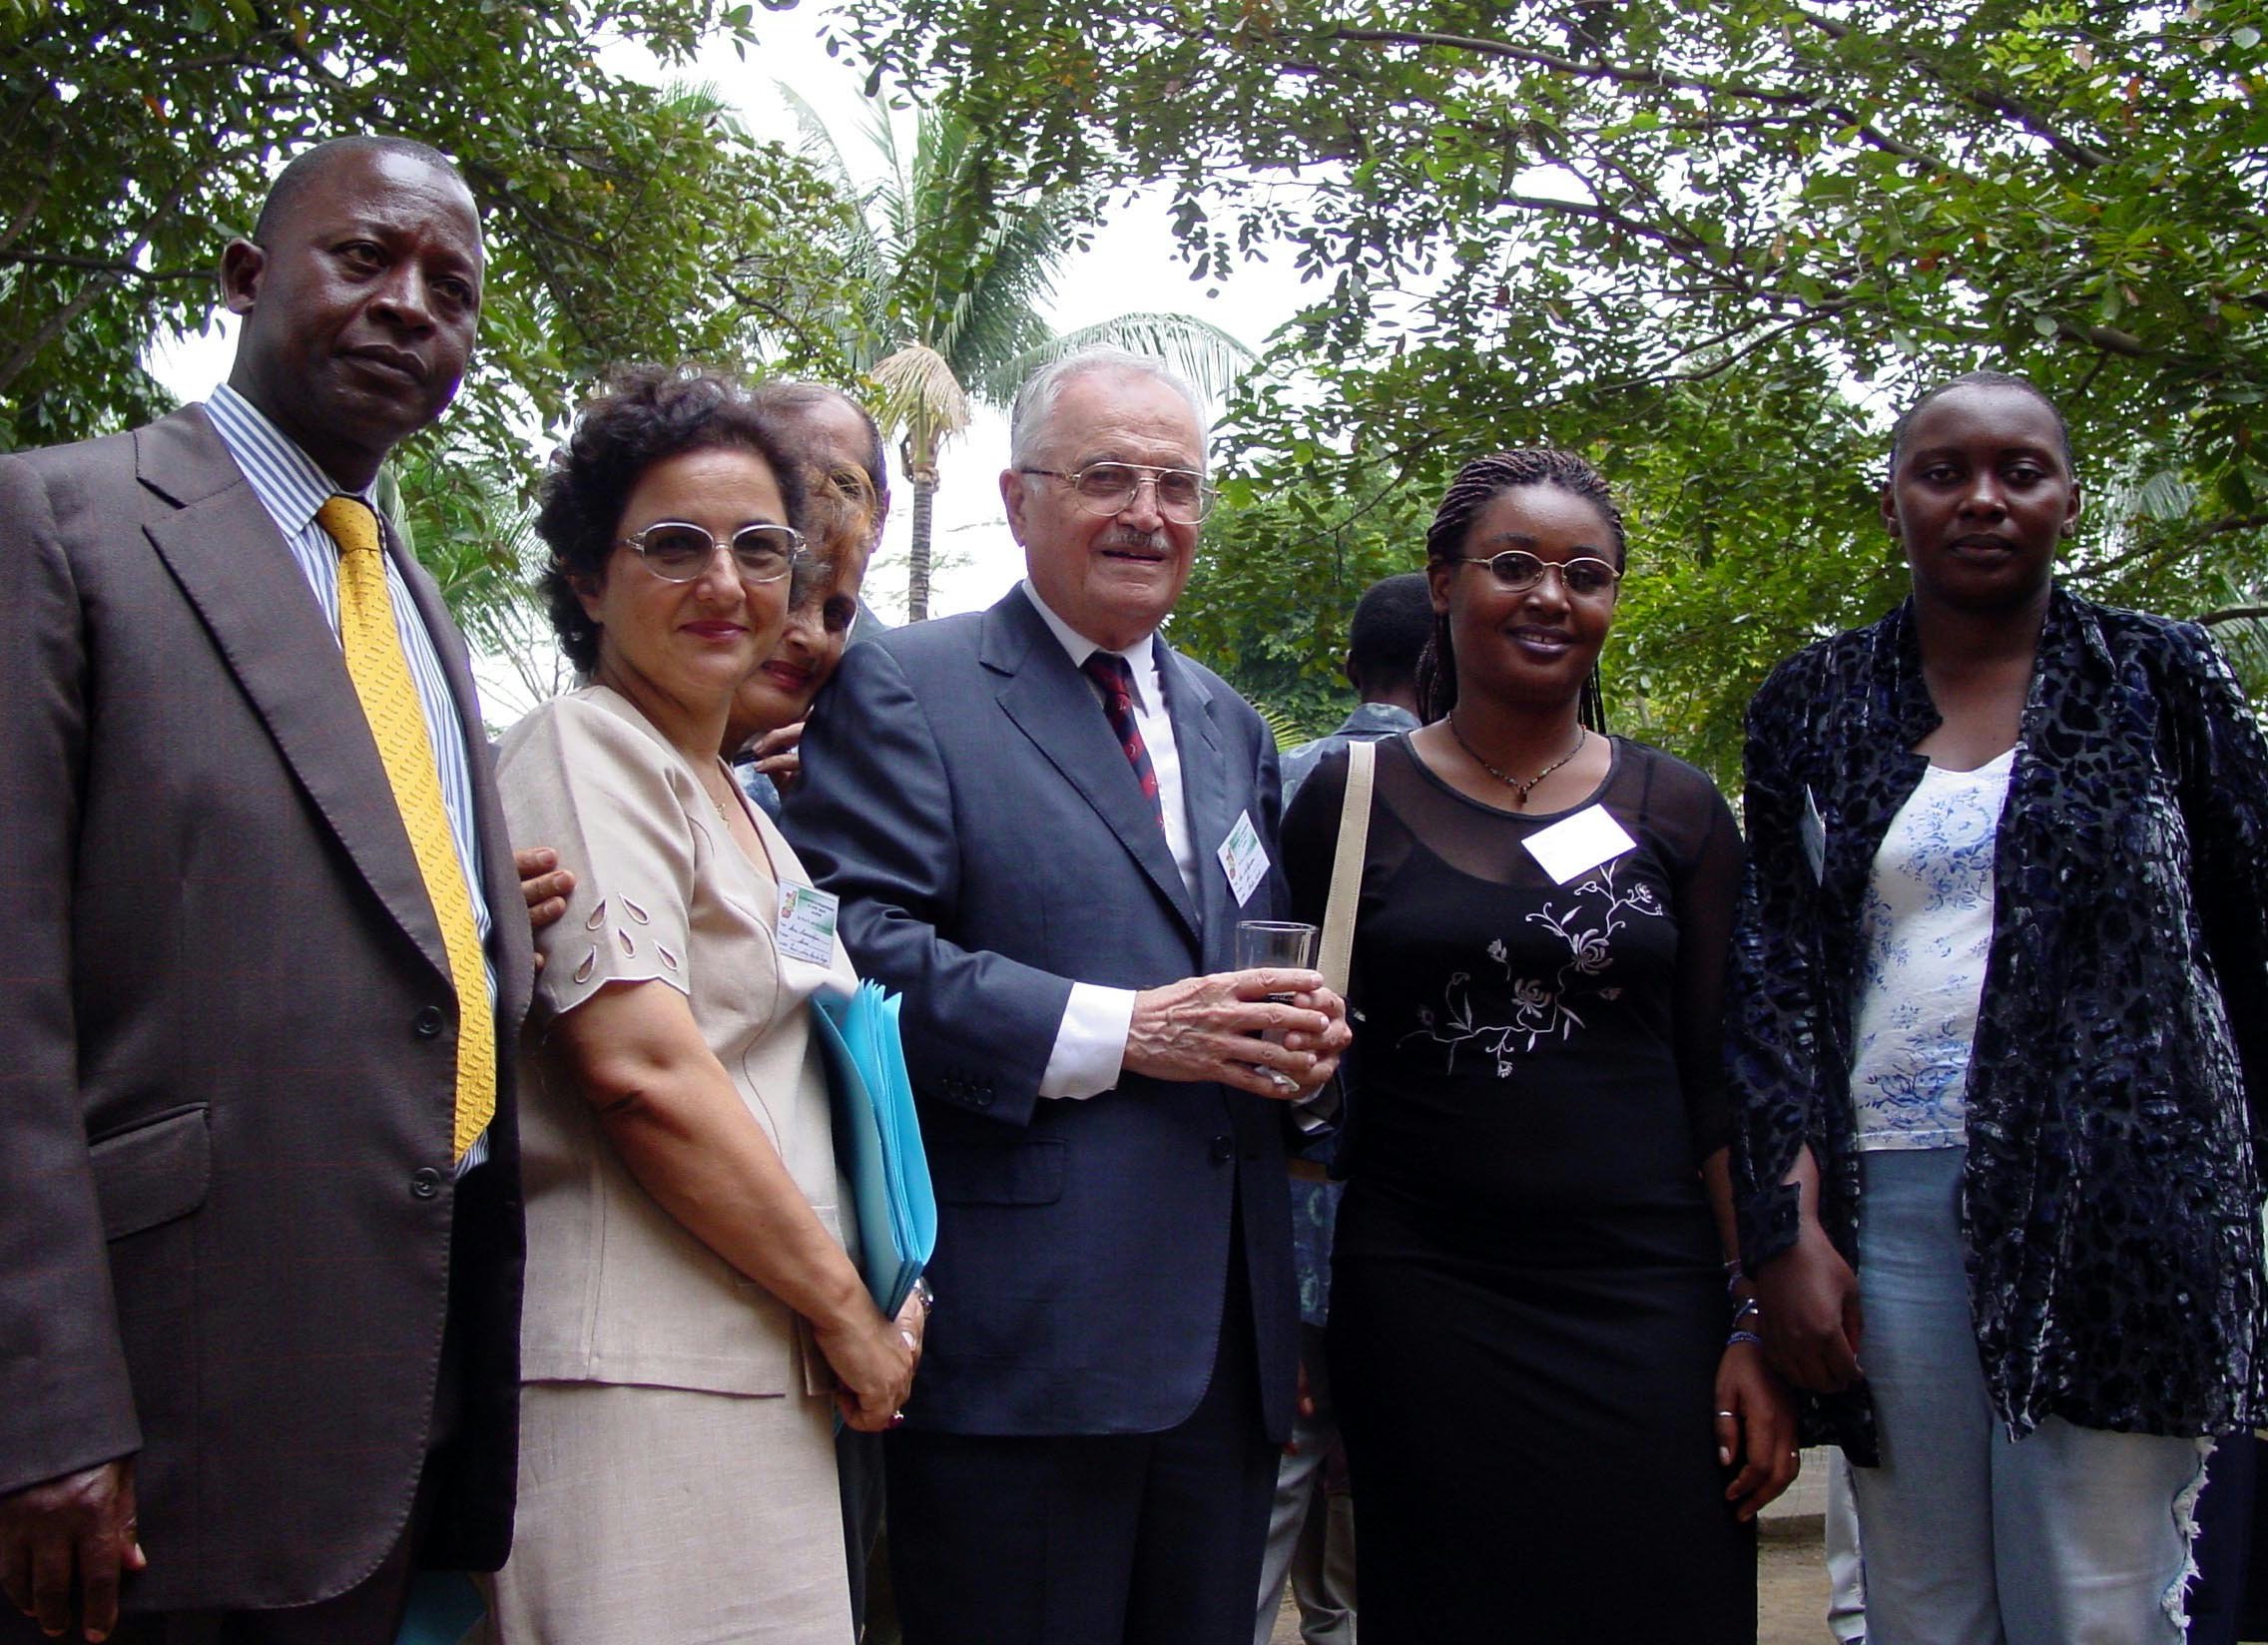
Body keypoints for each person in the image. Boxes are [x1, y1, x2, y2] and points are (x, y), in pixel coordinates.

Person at [0, 136, 537, 1644]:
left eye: (451, 287)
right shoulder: (58, 525)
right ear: (245, 278)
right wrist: (42, 1410)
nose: (410, 306)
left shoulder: (408, 591)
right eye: (363, 258)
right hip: (167, 1402)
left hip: (393, 1379)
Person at [784, 346, 1352, 1645]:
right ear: (1020, 496)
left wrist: (1300, 1057)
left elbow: (1239, 967)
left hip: (1225, 1353)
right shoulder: (909, 685)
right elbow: (849, 949)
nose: (1148, 513)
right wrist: (1123, 1033)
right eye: (1107, 478)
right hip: (1026, 1350)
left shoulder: (1232, 726)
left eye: (1178, 485)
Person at [1728, 370, 2268, 1644]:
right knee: (1918, 1603)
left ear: (2067, 500)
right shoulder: (1811, 703)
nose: (1981, 498)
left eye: (2018, 472)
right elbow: (1780, 980)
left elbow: (2250, 939)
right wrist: (1783, 1227)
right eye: (1942, 472)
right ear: (1893, 503)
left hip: (2120, 1204)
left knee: (2092, 1599)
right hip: (1889, 1210)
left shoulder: (2159, 675)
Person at [1280, 450, 1797, 1644]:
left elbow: (1723, 1086)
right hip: (1422, 1300)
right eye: (1513, 566)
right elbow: (1295, 1078)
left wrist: (1750, 1324)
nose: (1549, 596)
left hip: (1646, 1301)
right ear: (1445, 583)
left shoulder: (1677, 810)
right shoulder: (1347, 799)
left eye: (1586, 574)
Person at [486, 365, 923, 1644]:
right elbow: (644, 1071)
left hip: (760, 1352)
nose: (725, 584)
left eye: (760, 549)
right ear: (586, 578)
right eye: (674, 545)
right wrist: (851, 1315)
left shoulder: (733, 795)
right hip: (638, 1369)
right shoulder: (589, 746)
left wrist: (885, 1283)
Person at [1255, 570, 1430, 1645]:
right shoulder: (1450, 790)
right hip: (1398, 1199)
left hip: (1283, 1184)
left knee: (1279, 1462)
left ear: (1348, 667)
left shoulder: (1275, 774)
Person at [727, 383, 891, 818]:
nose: (812, 637)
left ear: (880, 516)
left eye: (842, 483)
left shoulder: (905, 700)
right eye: (782, 473)